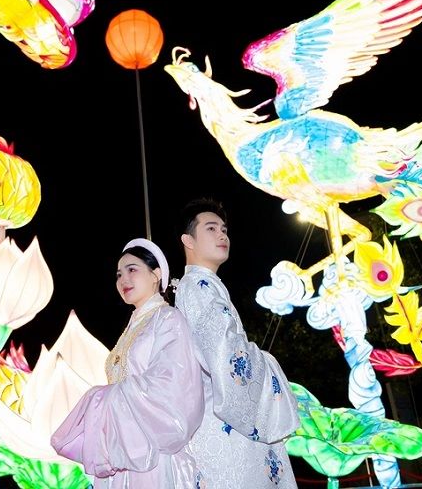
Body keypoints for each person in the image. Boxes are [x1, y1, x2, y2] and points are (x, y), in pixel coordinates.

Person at [50, 238, 205, 487]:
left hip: (152, 452)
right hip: (122, 450)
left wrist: (105, 398)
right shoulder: (132, 328)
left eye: (132, 270)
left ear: (156, 274)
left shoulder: (167, 318)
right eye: (119, 274)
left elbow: (174, 382)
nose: (123, 280)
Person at [175, 198, 300, 488]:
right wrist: (267, 363)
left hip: (221, 415)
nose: (222, 235)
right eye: (211, 228)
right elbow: (226, 353)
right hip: (224, 421)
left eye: (224, 229)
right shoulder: (198, 286)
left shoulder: (206, 285)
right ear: (188, 240)